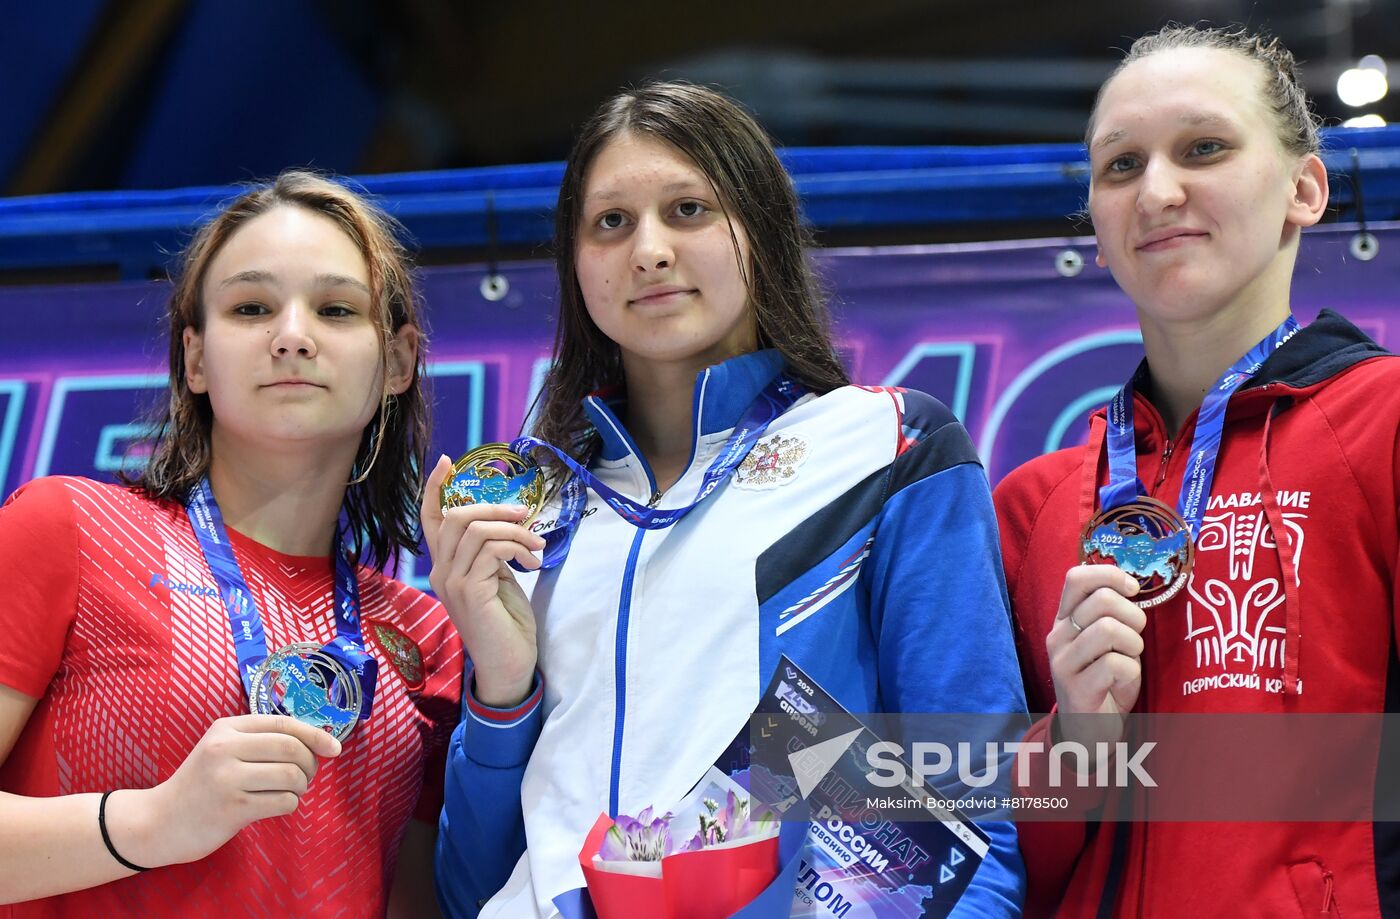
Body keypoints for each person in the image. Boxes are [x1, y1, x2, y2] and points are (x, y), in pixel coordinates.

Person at [427, 81, 1028, 918]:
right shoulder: (537, 511)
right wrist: (500, 683)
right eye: (611, 222)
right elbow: (471, 887)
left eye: (688, 209)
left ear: (764, 232)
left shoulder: (887, 448)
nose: (648, 250)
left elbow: (973, 831)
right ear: (575, 263)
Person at [993, 24, 1399, 917]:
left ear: (1305, 188)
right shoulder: (1032, 505)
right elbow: (999, 858)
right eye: (1121, 166)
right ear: (1097, 229)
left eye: (1204, 148)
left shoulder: (1383, 426)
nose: (1159, 191)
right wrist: (1074, 745)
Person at [0, 170, 463, 917]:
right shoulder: (70, 530)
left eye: (337, 308)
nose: (292, 335)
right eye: (251, 307)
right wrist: (151, 822)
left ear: (400, 363)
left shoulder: (426, 636)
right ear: (194, 356)